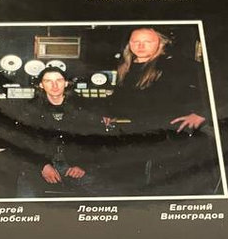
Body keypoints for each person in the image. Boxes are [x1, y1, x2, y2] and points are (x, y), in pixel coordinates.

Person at [104, 26, 215, 193]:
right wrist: (110, 113)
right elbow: (122, 97)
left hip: (171, 132)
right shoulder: (126, 66)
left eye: (147, 42)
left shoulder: (176, 64)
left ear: (161, 43)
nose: (141, 46)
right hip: (138, 131)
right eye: (136, 41)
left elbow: (214, 86)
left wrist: (201, 114)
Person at [15, 67, 103, 197]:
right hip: (39, 163)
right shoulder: (30, 109)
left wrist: (82, 165)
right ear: (41, 85)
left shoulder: (83, 106)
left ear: (66, 83)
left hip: (75, 163)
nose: (54, 85)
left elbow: (94, 140)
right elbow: (25, 141)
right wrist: (43, 165)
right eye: (48, 81)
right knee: (27, 196)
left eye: (59, 80)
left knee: (102, 194)